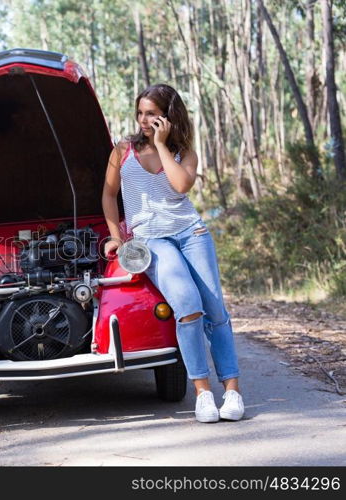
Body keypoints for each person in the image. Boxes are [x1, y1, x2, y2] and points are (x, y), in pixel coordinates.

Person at [101, 83, 244, 423]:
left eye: (151, 113)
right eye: (140, 113)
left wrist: (163, 145)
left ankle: (233, 391)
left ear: (168, 116)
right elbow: (108, 196)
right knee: (188, 306)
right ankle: (203, 393)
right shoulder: (123, 150)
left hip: (191, 233)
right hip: (152, 240)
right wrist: (116, 237)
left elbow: (180, 185)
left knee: (215, 309)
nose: (143, 120)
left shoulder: (184, 153)